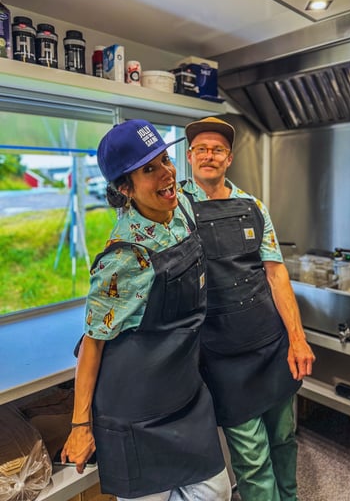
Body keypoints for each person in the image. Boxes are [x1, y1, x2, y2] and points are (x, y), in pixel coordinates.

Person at [61, 119, 231, 501]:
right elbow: (93, 343)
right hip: (136, 408)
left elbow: (206, 180)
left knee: (215, 491)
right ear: (125, 188)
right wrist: (79, 425)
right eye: (149, 169)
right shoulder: (123, 258)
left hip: (183, 393)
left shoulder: (180, 208)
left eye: (166, 160)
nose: (167, 173)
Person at [180, 116, 316, 501]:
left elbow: (276, 275)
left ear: (229, 158)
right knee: (252, 459)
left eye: (217, 149)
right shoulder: (176, 211)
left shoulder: (253, 206)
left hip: (272, 345)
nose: (209, 155)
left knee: (285, 439)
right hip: (222, 355)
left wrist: (297, 339)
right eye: (201, 149)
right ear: (190, 156)